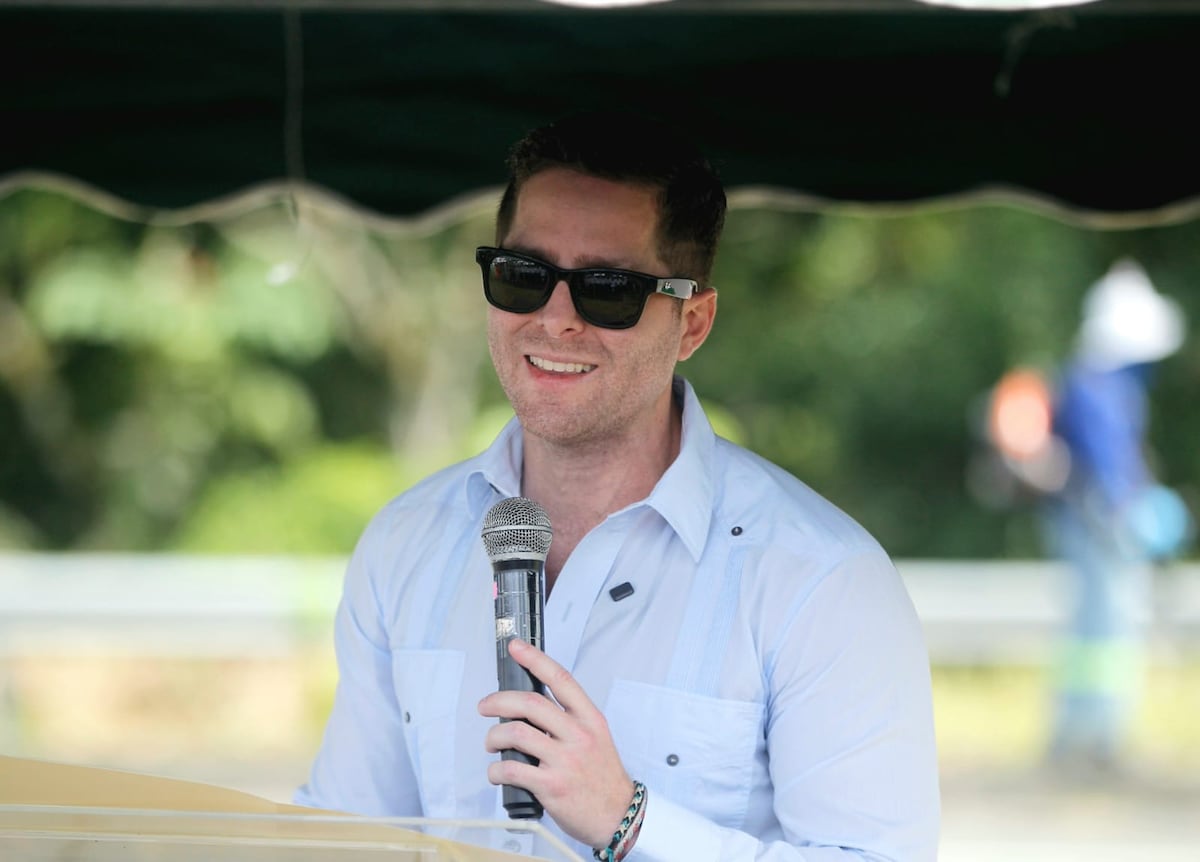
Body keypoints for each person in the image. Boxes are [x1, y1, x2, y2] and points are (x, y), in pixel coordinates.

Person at [295, 110, 941, 861]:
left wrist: (630, 821)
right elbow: (346, 838)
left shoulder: (821, 578)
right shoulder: (405, 543)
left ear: (692, 322)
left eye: (607, 289)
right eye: (523, 276)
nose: (555, 320)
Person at [1038, 259, 1190, 775]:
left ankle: (1080, 735)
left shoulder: (1086, 379)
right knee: (1107, 631)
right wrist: (1135, 518)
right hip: (1100, 526)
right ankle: (1097, 737)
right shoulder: (1103, 386)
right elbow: (1113, 469)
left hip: (1087, 523)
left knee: (1092, 631)